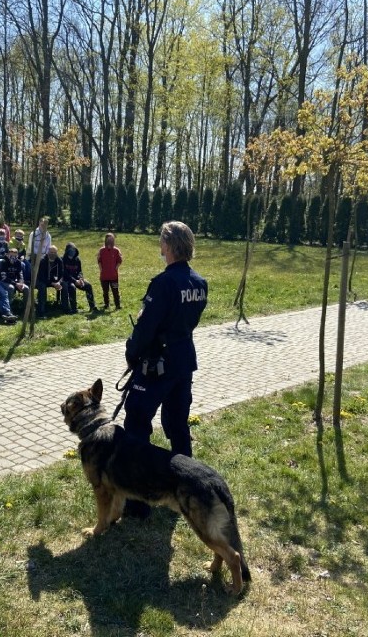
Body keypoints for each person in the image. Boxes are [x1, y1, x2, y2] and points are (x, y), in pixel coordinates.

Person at [122, 221, 208, 518]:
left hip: (156, 365)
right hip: (183, 362)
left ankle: (137, 500)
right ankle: (188, 487)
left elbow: (147, 327)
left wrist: (131, 353)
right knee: (177, 425)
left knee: (136, 424)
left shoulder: (164, 283)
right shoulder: (199, 282)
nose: (160, 248)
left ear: (169, 245)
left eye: (162, 242)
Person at [61, 242, 97, 314]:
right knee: (72, 287)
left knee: (88, 286)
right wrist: (75, 281)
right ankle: (74, 309)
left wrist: (81, 278)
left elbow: (80, 271)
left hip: (76, 279)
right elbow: (65, 274)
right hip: (66, 280)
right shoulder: (62, 259)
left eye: (74, 250)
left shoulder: (77, 260)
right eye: (70, 250)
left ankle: (92, 306)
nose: (72, 252)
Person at [36, 244, 64, 319]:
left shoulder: (59, 261)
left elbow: (62, 274)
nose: (53, 254)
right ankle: (41, 311)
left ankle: (64, 307)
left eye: (54, 252)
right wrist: (52, 283)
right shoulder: (42, 261)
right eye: (51, 252)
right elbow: (41, 276)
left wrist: (59, 282)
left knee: (65, 284)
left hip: (55, 281)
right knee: (42, 287)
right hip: (41, 280)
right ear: (47, 252)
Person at [97, 232, 123, 310]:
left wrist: (116, 268)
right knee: (105, 292)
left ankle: (117, 305)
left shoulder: (116, 250)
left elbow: (120, 260)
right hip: (104, 276)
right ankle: (106, 304)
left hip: (114, 276)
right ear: (106, 240)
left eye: (111, 239)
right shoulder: (102, 250)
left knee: (115, 291)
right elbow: (99, 260)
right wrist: (101, 269)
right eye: (108, 239)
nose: (110, 241)